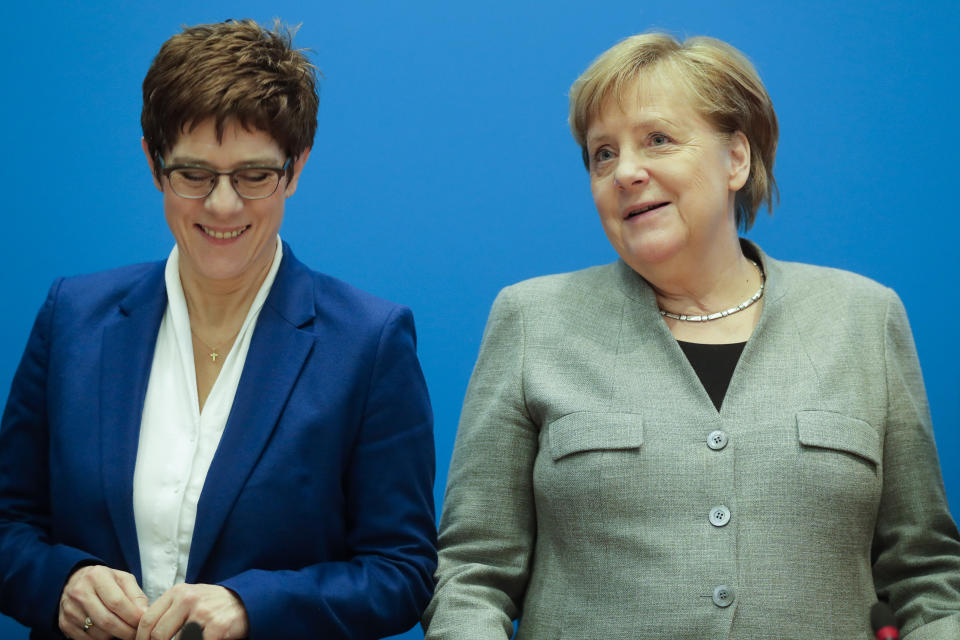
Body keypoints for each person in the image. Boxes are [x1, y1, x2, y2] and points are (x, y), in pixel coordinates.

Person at [422, 33, 960, 639]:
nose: (625, 171)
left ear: (737, 159)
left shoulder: (864, 317)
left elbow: (927, 579)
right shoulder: (531, 320)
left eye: (657, 139)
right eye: (602, 154)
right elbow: (472, 576)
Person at [0, 19, 436, 640]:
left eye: (255, 175)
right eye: (194, 174)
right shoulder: (72, 317)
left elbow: (403, 572)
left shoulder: (369, 342)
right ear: (154, 164)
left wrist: (251, 606)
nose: (223, 205)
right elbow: (9, 524)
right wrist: (60, 583)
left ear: (297, 167)